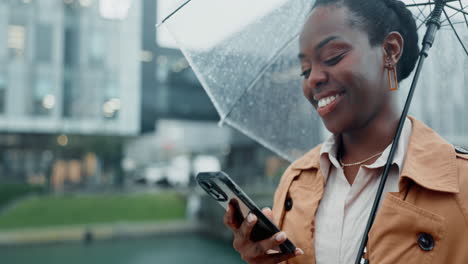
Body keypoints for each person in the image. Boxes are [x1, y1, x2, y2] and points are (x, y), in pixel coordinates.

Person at [223, 0, 468, 263]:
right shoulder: (295, 180)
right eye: (305, 70)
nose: (313, 78)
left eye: (332, 57)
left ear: (390, 50)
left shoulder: (462, 185)